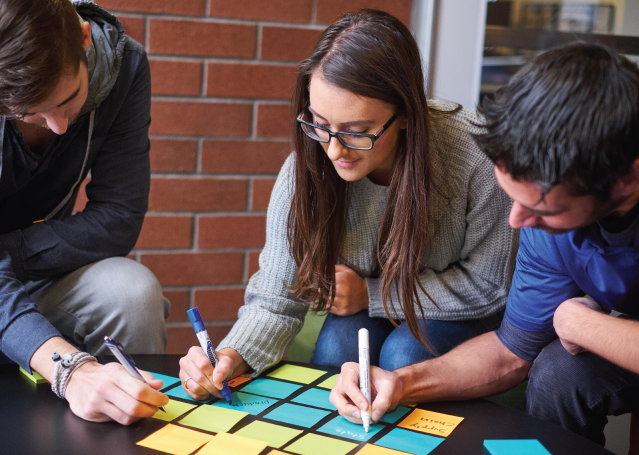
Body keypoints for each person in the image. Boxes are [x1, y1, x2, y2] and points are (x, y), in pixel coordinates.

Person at [179, 9, 516, 401]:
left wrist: (371, 295)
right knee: (337, 352)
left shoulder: (474, 153)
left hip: (459, 310)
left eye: (357, 133)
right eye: (320, 123)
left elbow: (490, 285)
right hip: (368, 308)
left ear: (406, 115)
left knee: (403, 353)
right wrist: (229, 357)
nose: (334, 149)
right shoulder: (307, 166)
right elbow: (275, 297)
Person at [330, 42, 639, 446]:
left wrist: (575, 321)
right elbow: (510, 353)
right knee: (560, 371)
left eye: (541, 209)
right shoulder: (542, 219)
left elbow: (571, 325)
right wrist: (399, 383)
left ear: (627, 181)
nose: (517, 221)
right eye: (515, 198)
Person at [0, 0, 170, 423]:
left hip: (21, 266)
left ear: (84, 38)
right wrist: (71, 370)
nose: (58, 126)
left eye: (70, 98)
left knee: (133, 292)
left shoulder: (127, 68)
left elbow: (118, 217)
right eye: (27, 112)